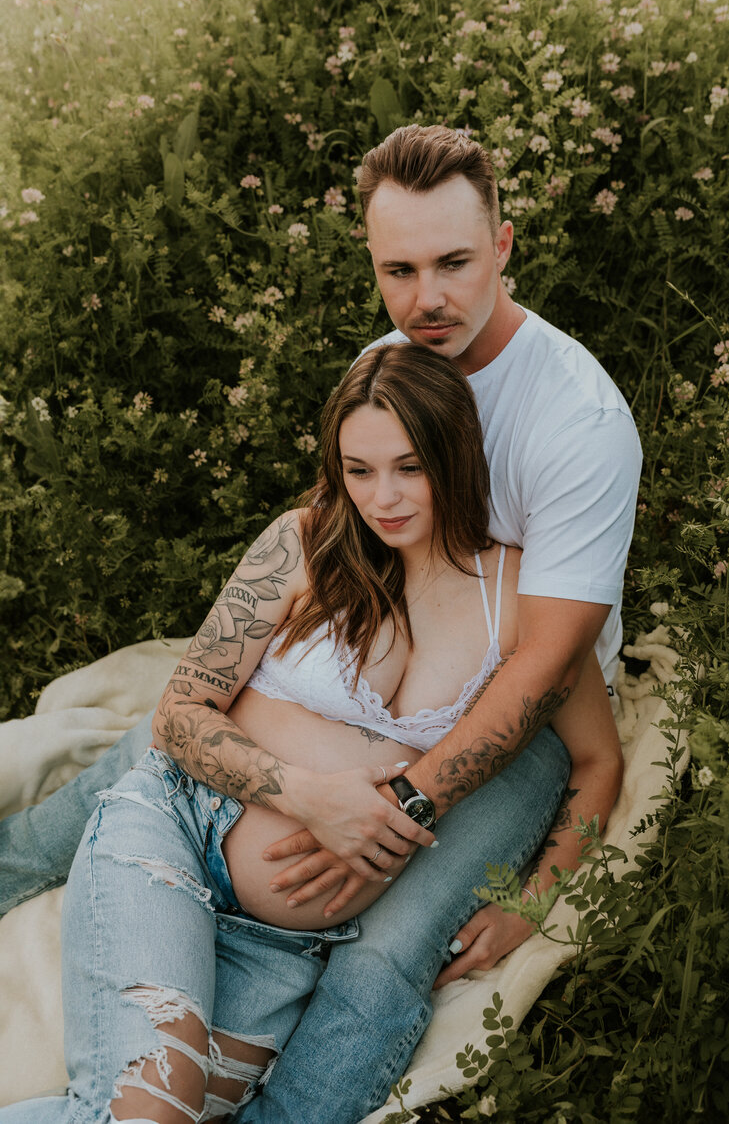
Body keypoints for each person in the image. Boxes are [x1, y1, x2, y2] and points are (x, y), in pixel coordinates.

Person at [0, 125, 641, 1122]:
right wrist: (305, 782)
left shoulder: (574, 425)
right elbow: (313, 559)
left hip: (506, 719)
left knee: (389, 952)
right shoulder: (387, 378)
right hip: (199, 821)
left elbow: (543, 677)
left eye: (453, 263)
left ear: (504, 246)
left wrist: (406, 817)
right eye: (399, 268)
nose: (426, 296)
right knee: (137, 763)